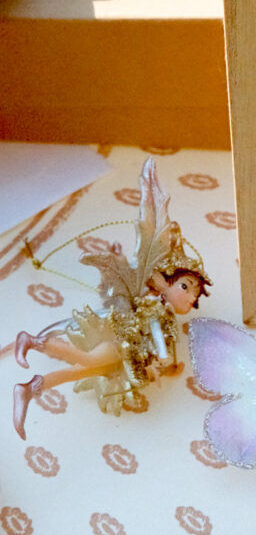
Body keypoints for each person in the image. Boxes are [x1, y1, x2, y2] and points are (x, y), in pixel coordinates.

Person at [12, 159, 212, 438]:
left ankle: (31, 388)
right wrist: (166, 359)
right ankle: (34, 342)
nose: (190, 298)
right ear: (163, 280)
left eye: (195, 295)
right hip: (122, 344)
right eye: (185, 286)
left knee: (79, 370)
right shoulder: (155, 308)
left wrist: (167, 365)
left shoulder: (163, 314)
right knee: (86, 360)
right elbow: (155, 334)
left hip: (129, 357)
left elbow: (161, 343)